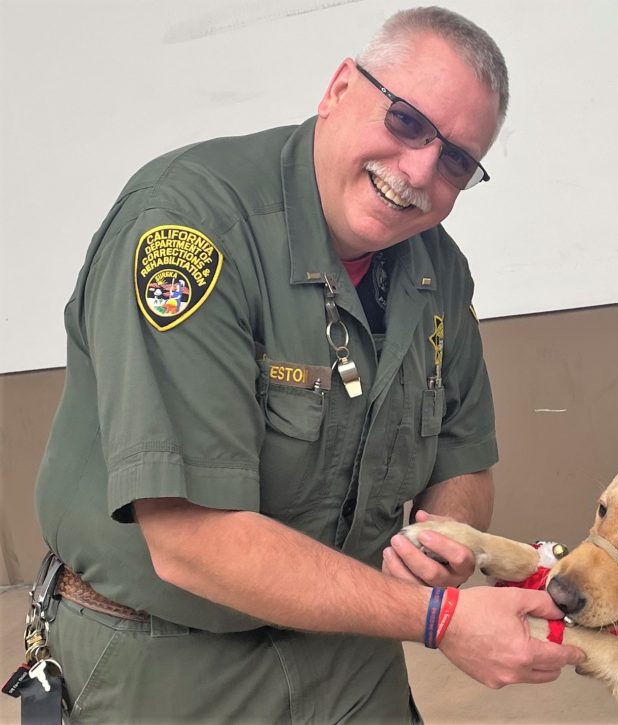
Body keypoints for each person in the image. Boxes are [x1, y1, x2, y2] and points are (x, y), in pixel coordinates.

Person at [33, 6, 583, 723]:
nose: (418, 170)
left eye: (454, 160)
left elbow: (463, 456)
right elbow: (191, 540)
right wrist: (441, 618)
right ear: (339, 89)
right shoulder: (191, 228)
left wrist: (444, 540)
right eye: (407, 121)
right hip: (169, 663)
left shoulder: (436, 271)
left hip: (352, 654)